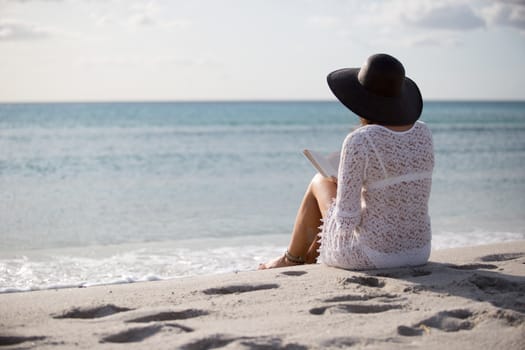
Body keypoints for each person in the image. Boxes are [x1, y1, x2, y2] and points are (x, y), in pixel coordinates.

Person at [259, 53, 434, 270]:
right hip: (418, 251)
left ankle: (290, 259)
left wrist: (344, 186)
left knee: (319, 182)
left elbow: (346, 221)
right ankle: (303, 259)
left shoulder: (360, 140)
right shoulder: (424, 133)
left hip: (375, 256)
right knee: (334, 190)